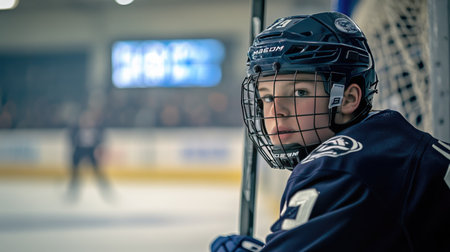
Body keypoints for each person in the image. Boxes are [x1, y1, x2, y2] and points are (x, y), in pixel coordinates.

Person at [211, 12, 450, 251]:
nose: (276, 110)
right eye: (267, 96)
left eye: (299, 93)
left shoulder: (337, 170)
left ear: (348, 98)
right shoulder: (383, 144)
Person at [67, 109, 111, 201]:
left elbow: (101, 139)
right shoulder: (76, 128)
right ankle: (73, 189)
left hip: (91, 151)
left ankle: (105, 188)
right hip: (79, 150)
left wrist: (98, 147)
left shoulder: (96, 129)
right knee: (75, 171)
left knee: (97, 171)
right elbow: (71, 138)